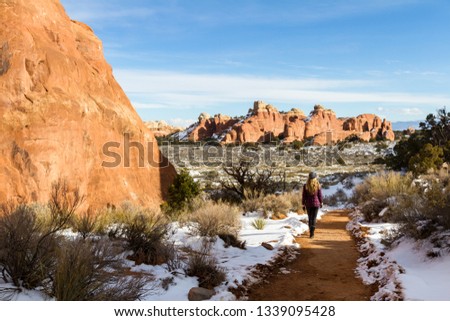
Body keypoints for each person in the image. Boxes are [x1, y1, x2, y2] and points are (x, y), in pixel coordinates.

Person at [302, 171, 323, 239]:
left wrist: (303, 204)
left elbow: (304, 196)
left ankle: (311, 232)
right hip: (316, 204)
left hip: (308, 204)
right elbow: (320, 195)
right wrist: (321, 202)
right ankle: (312, 233)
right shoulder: (317, 185)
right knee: (314, 218)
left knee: (310, 218)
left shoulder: (306, 186)